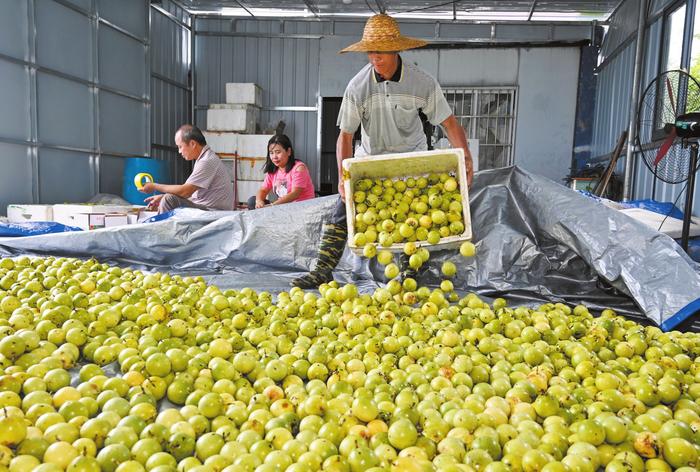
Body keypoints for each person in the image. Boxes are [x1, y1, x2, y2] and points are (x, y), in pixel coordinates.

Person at [292, 13, 474, 289]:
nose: (375, 58)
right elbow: (345, 135)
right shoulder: (358, 86)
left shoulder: (422, 83)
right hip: (371, 162)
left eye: (381, 52)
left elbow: (449, 123)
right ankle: (322, 269)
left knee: (413, 218)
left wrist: (466, 159)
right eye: (371, 52)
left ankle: (410, 274)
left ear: (396, 49)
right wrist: (344, 175)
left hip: (411, 162)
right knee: (342, 210)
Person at [140, 124, 235, 213]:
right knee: (166, 198)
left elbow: (185, 191)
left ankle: (164, 230)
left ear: (193, 144)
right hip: (207, 208)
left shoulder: (206, 161)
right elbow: (190, 194)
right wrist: (162, 196)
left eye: (180, 147)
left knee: (169, 199)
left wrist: (154, 186)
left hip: (214, 212)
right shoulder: (204, 158)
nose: (179, 151)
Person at [247, 134, 315, 209]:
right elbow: (263, 190)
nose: (274, 157)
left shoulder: (299, 168)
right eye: (271, 153)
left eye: (278, 152)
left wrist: (273, 206)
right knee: (252, 201)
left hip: (301, 209)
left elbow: (295, 194)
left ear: (288, 151)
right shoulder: (273, 170)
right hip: (283, 208)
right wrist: (259, 201)